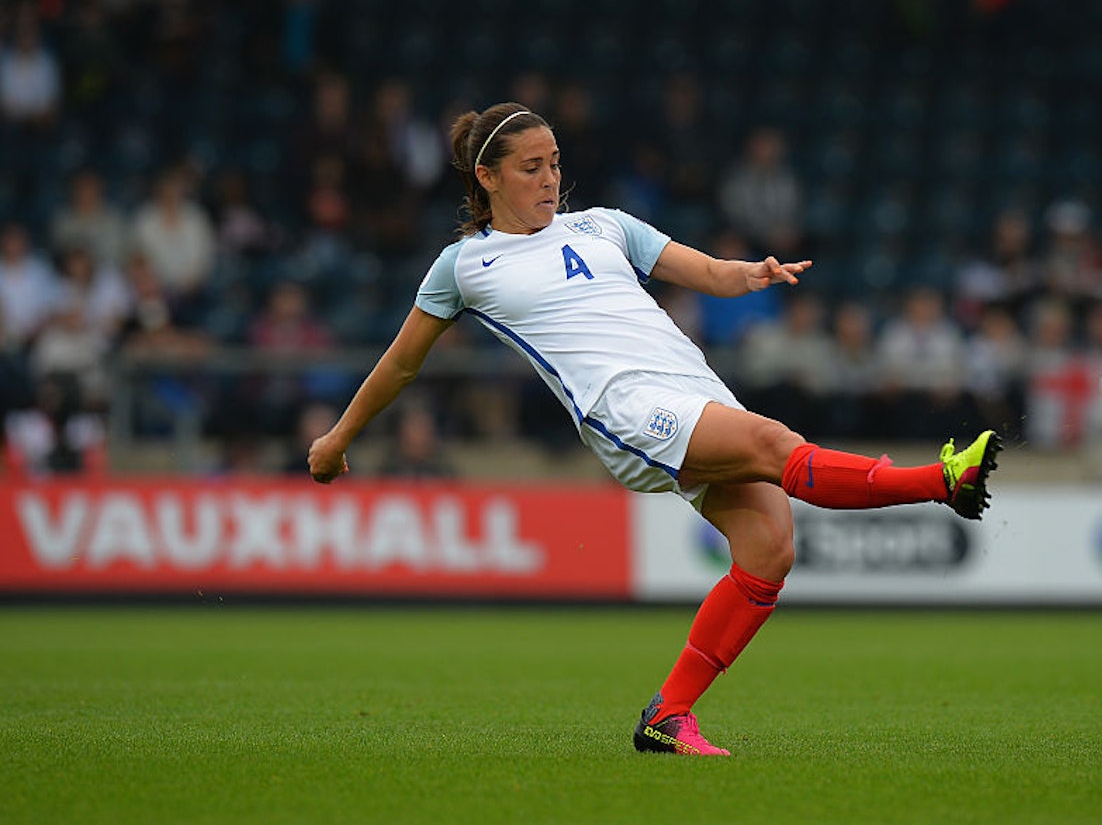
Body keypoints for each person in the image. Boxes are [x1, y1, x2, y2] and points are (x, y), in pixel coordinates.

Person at [307, 103, 1003, 756]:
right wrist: (339, 440)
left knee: (769, 548)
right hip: (623, 410)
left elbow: (701, 270)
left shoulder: (603, 224)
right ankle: (943, 482)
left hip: (692, 386)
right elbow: (400, 366)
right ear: (486, 178)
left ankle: (668, 716)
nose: (550, 178)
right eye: (531, 168)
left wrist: (750, 273)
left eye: (554, 162)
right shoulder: (463, 266)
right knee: (775, 444)